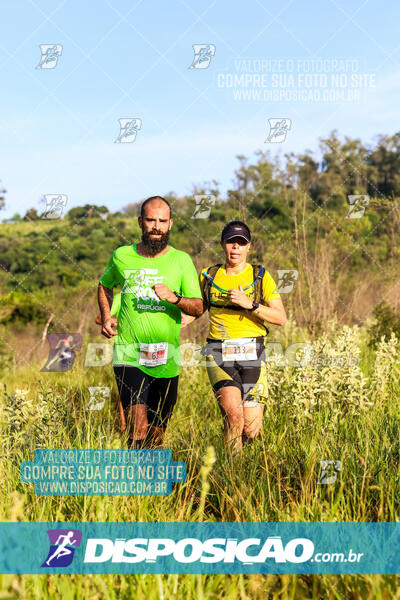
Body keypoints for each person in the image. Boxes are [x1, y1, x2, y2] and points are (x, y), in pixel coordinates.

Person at [98, 196, 203, 448]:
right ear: (140, 222)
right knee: (137, 427)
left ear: (170, 224)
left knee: (156, 435)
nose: (156, 226)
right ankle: (133, 482)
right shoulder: (122, 255)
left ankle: (148, 482)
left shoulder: (181, 260)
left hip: (167, 358)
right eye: (150, 220)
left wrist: (175, 298)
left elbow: (198, 307)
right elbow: (104, 284)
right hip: (129, 354)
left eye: (162, 221)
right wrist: (105, 316)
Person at [199, 220, 287, 455]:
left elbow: (280, 317)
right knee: (234, 418)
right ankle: (230, 473)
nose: (235, 248)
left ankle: (244, 469)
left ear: (248, 247)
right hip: (218, 353)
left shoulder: (260, 276)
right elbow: (195, 310)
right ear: (222, 244)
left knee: (251, 428)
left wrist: (250, 304)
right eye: (231, 242)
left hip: (253, 354)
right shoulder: (208, 276)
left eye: (241, 243)